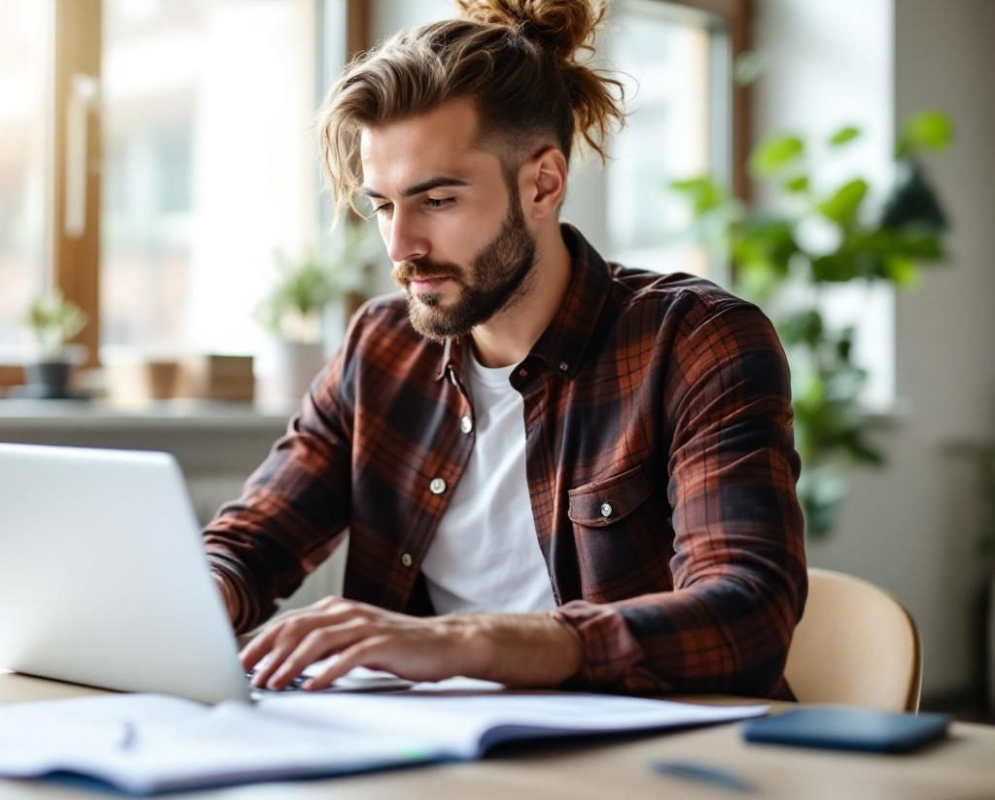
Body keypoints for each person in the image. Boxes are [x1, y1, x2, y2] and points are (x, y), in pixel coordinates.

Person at [204, 0, 807, 700]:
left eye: (438, 201)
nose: (401, 249)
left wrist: (472, 642)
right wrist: (198, 598)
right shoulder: (382, 348)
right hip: (436, 757)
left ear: (543, 184)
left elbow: (749, 613)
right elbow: (252, 544)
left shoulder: (695, 341)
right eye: (384, 206)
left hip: (645, 762)